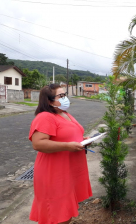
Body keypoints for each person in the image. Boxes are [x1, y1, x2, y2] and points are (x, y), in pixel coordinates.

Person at [28, 84, 92, 224]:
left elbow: (68, 135)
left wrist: (83, 141)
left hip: (68, 170)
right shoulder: (45, 117)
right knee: (56, 215)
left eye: (65, 95)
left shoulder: (64, 114)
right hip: (54, 172)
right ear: (50, 101)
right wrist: (67, 146)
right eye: (61, 96)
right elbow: (38, 143)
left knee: (66, 212)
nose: (65, 98)